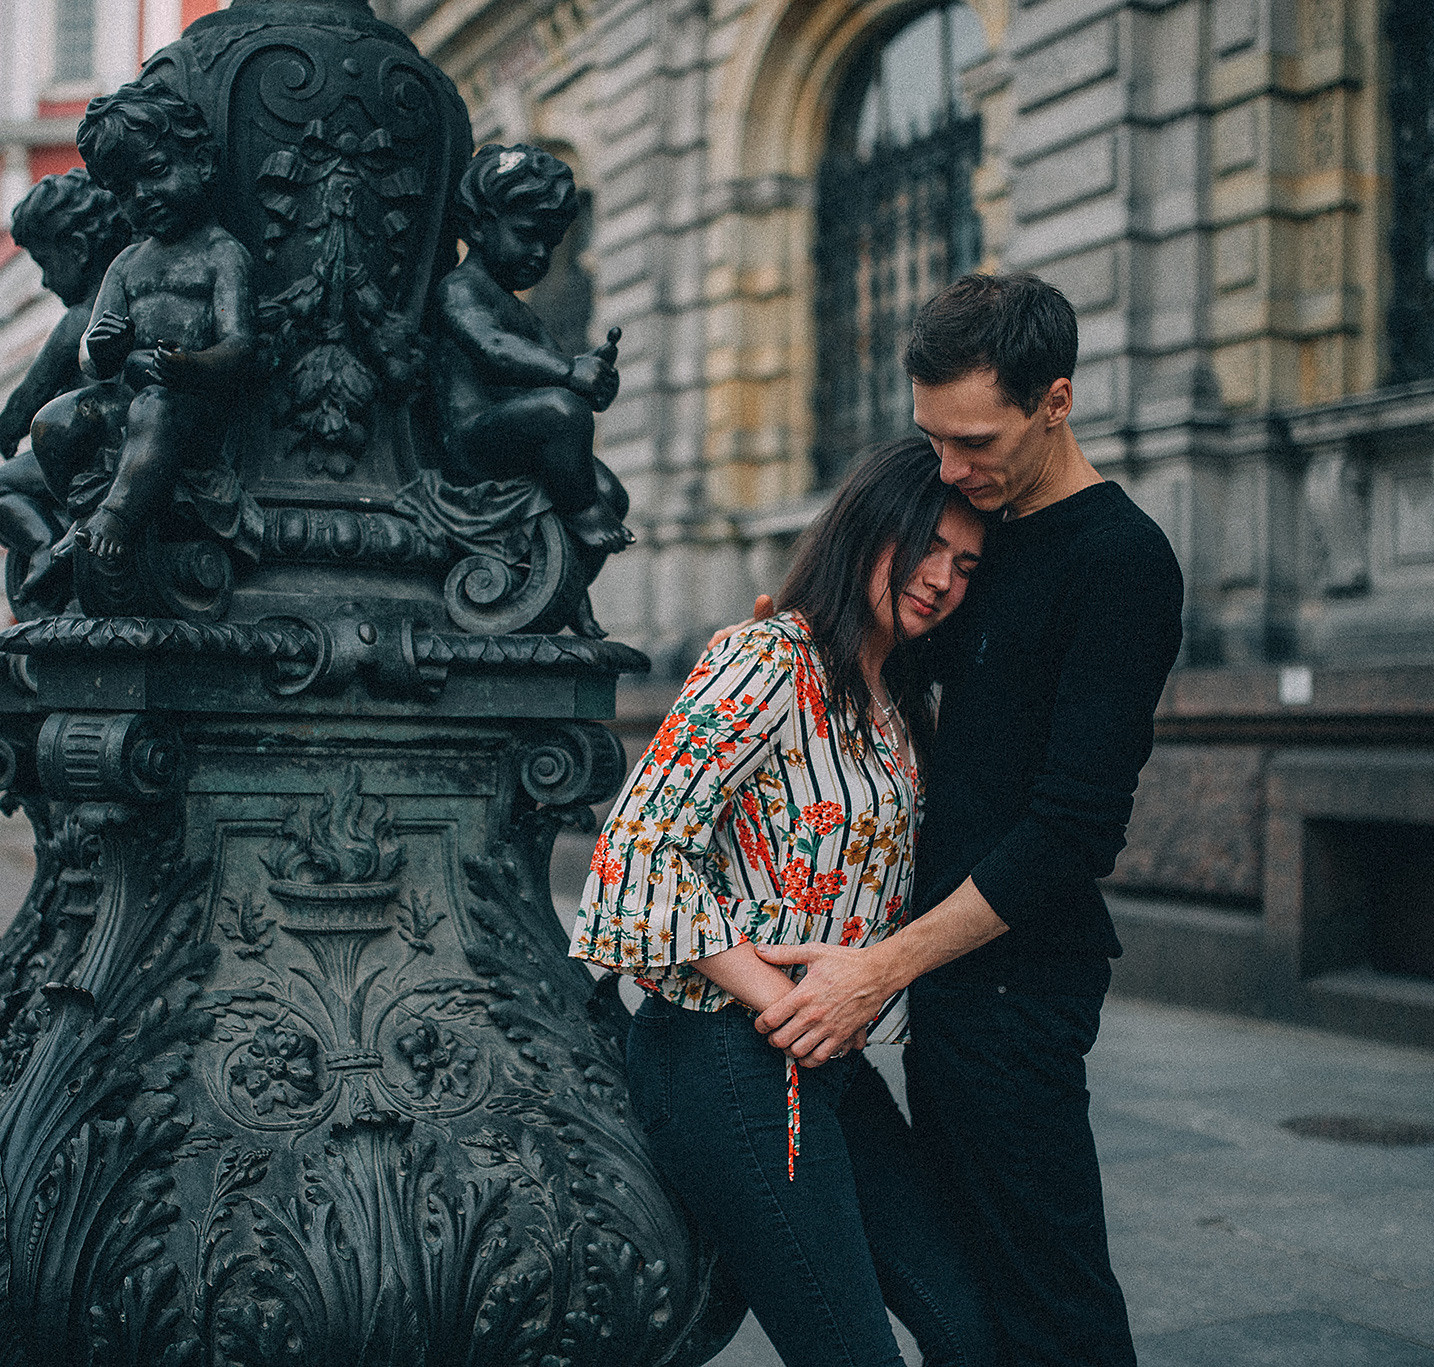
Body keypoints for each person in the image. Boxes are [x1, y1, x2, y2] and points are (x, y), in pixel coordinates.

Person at [745, 274, 1185, 1365]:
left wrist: (877, 967)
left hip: (1013, 989)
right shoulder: (974, 533)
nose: (948, 468)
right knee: (970, 1300)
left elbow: (1071, 830)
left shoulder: (1120, 561)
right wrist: (789, 638)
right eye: (930, 439)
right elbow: (886, 655)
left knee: (1052, 1304)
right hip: (946, 986)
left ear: (1055, 401)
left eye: (972, 439)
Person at [572, 438, 992, 1367]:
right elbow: (637, 849)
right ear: (867, 529)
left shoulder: (902, 699)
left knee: (972, 1327)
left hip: (829, 1062)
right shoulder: (767, 658)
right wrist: (786, 1000)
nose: (941, 578)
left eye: (965, 564)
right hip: (725, 1052)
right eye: (927, 544)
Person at [65, 80, 258, 562]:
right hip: (131, 397)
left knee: (156, 407)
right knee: (55, 422)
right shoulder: (127, 263)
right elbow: (90, 354)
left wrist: (192, 366)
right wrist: (104, 351)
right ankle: (83, 511)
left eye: (155, 171)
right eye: (125, 189)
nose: (143, 194)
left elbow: (240, 343)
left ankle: (117, 517)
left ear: (203, 163)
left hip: (190, 408)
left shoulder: (222, 255)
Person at [432, 143, 633, 560]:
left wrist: (594, 379)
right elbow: (493, 347)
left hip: (515, 433)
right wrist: (568, 372)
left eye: (552, 242)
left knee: (612, 493)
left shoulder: (522, 312)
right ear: (481, 225)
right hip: (471, 440)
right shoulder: (461, 289)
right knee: (560, 411)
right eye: (526, 235)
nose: (540, 253)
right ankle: (583, 515)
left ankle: (564, 583)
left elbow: (551, 369)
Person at [0, 169, 131, 603]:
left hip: (88, 458)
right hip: (125, 446)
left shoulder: (79, 319)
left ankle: (47, 547)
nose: (44, 282)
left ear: (79, 250)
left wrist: (4, 431)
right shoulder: (129, 299)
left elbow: (26, 400)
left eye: (45, 263)